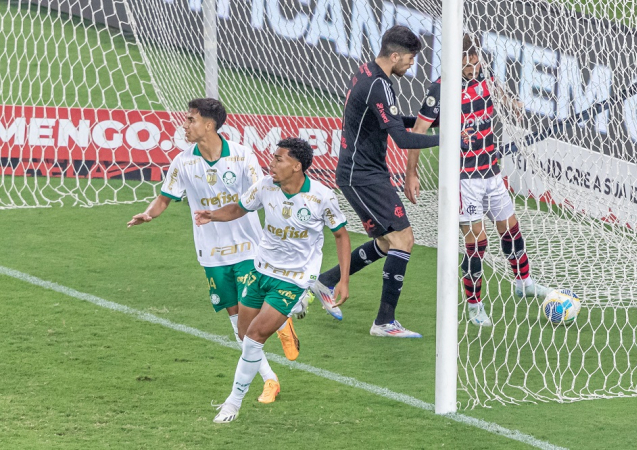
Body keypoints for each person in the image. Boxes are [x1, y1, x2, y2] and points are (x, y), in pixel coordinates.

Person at [127, 98, 302, 407]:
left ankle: (282, 318)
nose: (185, 125)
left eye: (190, 119)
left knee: (254, 317)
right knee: (239, 327)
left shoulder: (241, 155)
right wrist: (149, 214)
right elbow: (165, 197)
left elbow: (261, 189)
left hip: (248, 248)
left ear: (208, 125)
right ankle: (270, 379)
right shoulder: (183, 161)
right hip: (211, 254)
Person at [194, 137, 351, 423]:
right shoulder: (266, 186)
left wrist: (343, 280)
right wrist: (212, 215)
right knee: (243, 335)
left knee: (254, 339)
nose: (272, 163)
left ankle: (233, 403)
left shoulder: (321, 196)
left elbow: (340, 235)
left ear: (297, 166)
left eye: (278, 159)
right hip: (261, 270)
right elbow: (240, 207)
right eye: (273, 157)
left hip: (293, 279)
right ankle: (289, 314)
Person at [406, 35, 552, 327]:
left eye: (475, 61)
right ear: (453, 61)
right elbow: (418, 130)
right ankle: (475, 307)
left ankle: (523, 281)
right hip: (463, 178)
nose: (472, 68)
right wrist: (412, 172)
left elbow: (499, 92)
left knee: (510, 228)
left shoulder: (484, 74)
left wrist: (512, 104)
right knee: (477, 243)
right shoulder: (440, 89)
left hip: (491, 171)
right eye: (466, 63)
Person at [310, 25, 440, 338]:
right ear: (394, 55)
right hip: (361, 176)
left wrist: (432, 124)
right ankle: (384, 322)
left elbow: (392, 121)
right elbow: (401, 138)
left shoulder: (369, 74)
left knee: (387, 242)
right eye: (409, 58)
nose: (412, 64)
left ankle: (326, 281)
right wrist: (446, 140)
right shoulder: (378, 85)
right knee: (403, 239)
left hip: (367, 172)